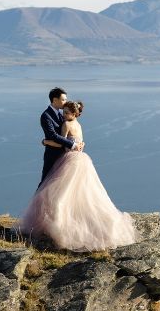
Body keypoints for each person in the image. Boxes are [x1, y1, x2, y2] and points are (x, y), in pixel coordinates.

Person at [18, 99, 140, 251]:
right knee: (85, 193)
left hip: (70, 160)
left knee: (60, 192)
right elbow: (79, 141)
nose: (64, 115)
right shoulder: (79, 125)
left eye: (67, 113)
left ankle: (58, 224)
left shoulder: (67, 125)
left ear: (75, 114)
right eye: (64, 112)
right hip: (82, 159)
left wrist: (45, 142)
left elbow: (61, 143)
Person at [39, 87, 79, 187]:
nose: (65, 102)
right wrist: (72, 144)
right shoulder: (46, 116)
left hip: (64, 156)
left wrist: (79, 142)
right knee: (45, 183)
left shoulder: (62, 114)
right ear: (55, 100)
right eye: (63, 99)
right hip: (52, 156)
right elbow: (52, 135)